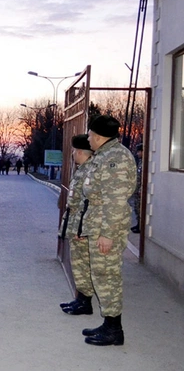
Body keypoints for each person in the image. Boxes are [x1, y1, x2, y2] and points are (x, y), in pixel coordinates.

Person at [78, 115, 136, 346]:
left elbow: (116, 200)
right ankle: (109, 324)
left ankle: (114, 330)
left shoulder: (116, 158)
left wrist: (107, 234)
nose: (88, 139)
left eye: (90, 134)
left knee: (107, 276)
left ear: (99, 136)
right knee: (101, 275)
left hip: (107, 225)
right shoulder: (105, 155)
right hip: (99, 222)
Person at [58, 134, 95, 316]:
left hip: (82, 226)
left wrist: (83, 228)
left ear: (80, 152)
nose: (72, 154)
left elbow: (89, 203)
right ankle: (81, 300)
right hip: (75, 224)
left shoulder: (90, 171)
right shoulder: (82, 169)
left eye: (73, 151)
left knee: (82, 264)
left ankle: (85, 302)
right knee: (78, 264)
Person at [130, 143, 143, 233]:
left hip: (140, 190)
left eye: (139, 152)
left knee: (140, 208)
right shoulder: (140, 162)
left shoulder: (145, 163)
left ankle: (140, 226)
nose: (138, 154)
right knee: (137, 208)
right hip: (137, 189)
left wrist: (141, 189)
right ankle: (138, 224)